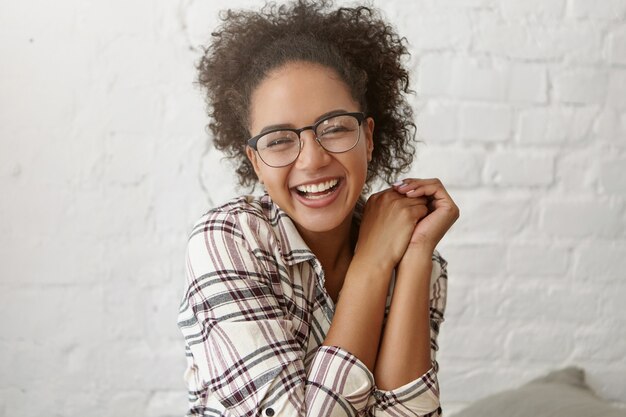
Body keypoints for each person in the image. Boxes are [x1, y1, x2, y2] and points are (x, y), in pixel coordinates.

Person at [177, 1, 460, 416]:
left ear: (368, 136)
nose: (312, 160)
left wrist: (415, 254)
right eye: (278, 140)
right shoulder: (228, 241)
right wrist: (372, 263)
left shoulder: (421, 260)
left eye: (334, 128)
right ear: (254, 160)